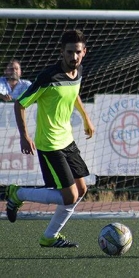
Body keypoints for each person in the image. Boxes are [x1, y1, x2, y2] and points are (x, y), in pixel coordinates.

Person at [5, 30, 95, 248]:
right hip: (49, 144)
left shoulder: (78, 71)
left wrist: (86, 119)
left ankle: (49, 237)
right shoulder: (48, 77)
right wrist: (25, 136)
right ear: (61, 52)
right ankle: (17, 194)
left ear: (84, 52)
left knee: (81, 190)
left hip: (67, 140)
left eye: (77, 52)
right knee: (69, 196)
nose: (74, 57)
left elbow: (74, 94)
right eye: (69, 52)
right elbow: (20, 104)